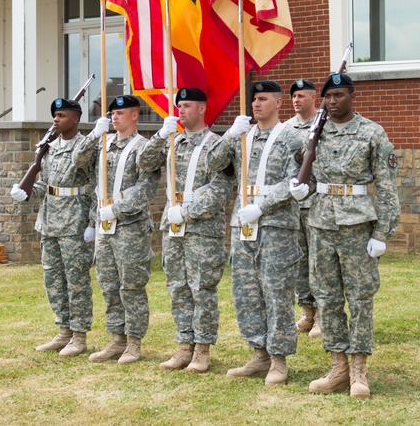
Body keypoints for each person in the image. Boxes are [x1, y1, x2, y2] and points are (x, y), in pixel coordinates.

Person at [290, 73, 399, 399]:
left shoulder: (371, 133)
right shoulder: (315, 132)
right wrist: (300, 188)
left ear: (351, 95)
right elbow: (306, 174)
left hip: (357, 227)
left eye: (339, 95)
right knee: (327, 298)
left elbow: (388, 187)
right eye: (329, 96)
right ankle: (338, 367)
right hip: (320, 225)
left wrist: (383, 232)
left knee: (361, 299)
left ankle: (359, 371)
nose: (333, 101)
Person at [206, 80, 303, 386]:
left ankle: (278, 359)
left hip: (275, 225)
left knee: (276, 293)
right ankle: (258, 353)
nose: (256, 104)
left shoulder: (291, 137)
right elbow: (214, 163)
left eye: (262, 99)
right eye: (254, 100)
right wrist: (229, 135)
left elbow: (296, 180)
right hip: (242, 225)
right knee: (246, 293)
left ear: (278, 103)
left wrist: (262, 205)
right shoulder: (242, 136)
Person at [138, 87, 233, 373]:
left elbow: (221, 189)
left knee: (201, 288)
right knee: (177, 287)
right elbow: (145, 163)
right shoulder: (172, 142)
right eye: (179, 106)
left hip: (202, 228)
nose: (181, 110)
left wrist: (187, 213)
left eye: (188, 105)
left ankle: (202, 349)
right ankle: (184, 345)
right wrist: (157, 136)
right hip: (172, 226)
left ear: (203, 108)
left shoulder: (217, 145)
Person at [9, 98, 95, 358]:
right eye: (54, 116)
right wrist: (25, 191)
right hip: (49, 221)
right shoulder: (48, 147)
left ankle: (79, 336)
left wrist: (91, 222)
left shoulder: (86, 146)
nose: (56, 120)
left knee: (76, 280)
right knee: (53, 279)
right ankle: (63, 331)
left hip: (74, 221)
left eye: (61, 115)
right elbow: (44, 184)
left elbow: (93, 184)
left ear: (76, 119)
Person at [77, 94, 160, 365]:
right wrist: (93, 135)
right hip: (104, 226)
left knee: (131, 285)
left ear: (134, 115)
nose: (114, 117)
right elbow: (80, 164)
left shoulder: (143, 148)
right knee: (109, 284)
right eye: (111, 113)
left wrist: (118, 208)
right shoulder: (103, 144)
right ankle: (117, 338)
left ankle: (134, 342)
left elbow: (146, 187)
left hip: (130, 226)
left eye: (120, 113)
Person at [288, 78, 321, 338]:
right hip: (293, 205)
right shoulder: (286, 128)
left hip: (318, 203)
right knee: (299, 260)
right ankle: (307, 311)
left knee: (320, 261)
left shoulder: (325, 125)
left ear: (313, 97)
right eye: (294, 96)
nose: (297, 100)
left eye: (302, 95)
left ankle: (322, 313)